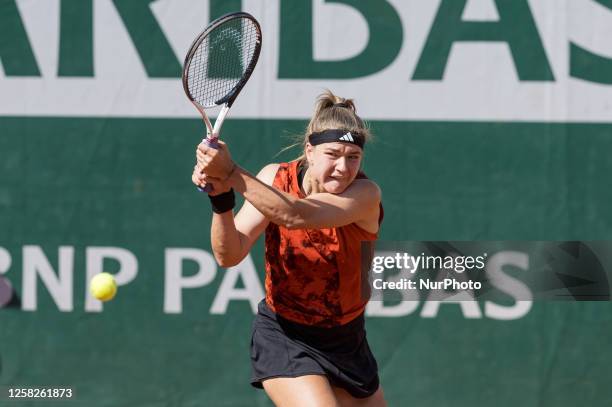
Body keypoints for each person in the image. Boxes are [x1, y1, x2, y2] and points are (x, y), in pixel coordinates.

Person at [192, 90, 386, 407]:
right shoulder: (274, 179)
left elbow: (296, 215)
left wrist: (230, 172)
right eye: (333, 154)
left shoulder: (365, 194)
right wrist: (221, 199)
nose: (343, 167)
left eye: (353, 157)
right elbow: (229, 254)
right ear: (309, 151)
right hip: (285, 334)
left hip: (348, 339)